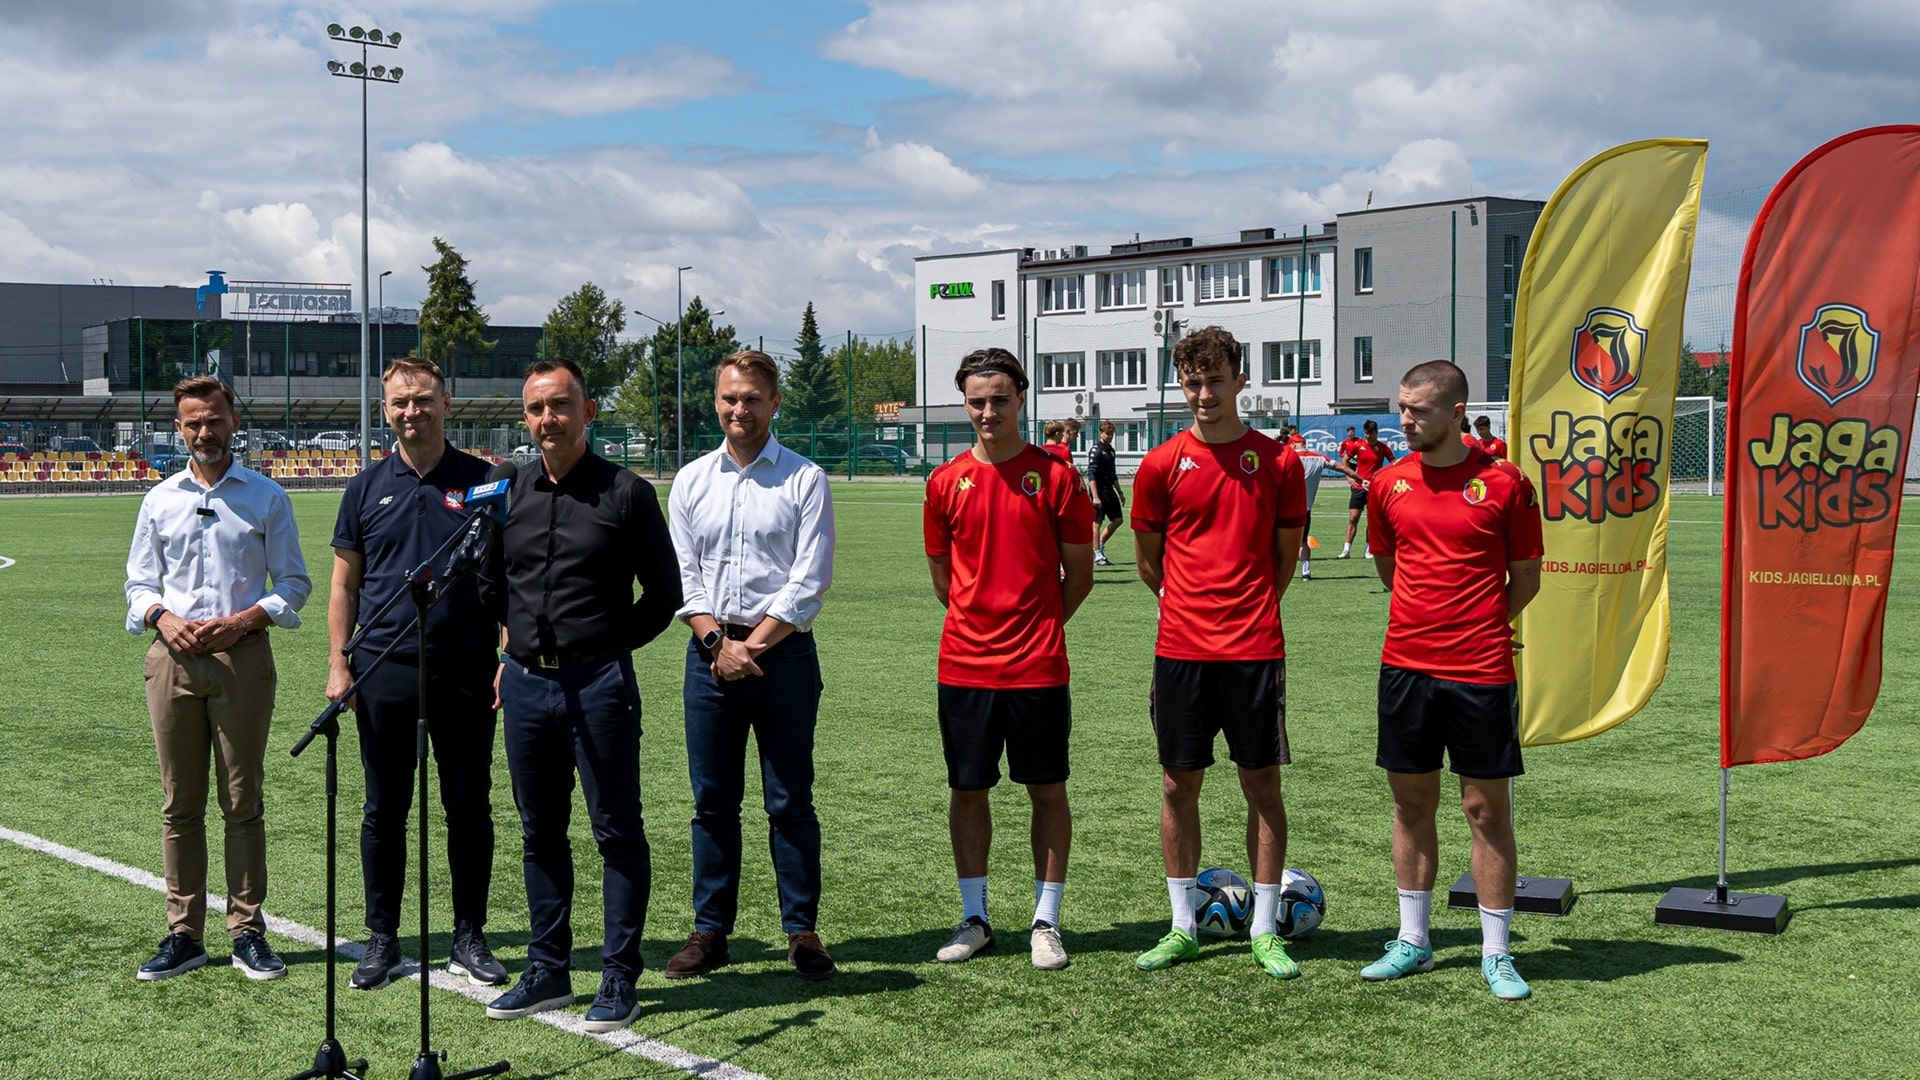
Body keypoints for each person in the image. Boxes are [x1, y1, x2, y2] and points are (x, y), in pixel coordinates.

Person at [478, 358, 683, 1032]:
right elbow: (487, 583)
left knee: (615, 831)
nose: (548, 420)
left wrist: (605, 644)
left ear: (587, 412)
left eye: (561, 405)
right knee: (540, 834)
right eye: (536, 408)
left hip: (600, 685)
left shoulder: (626, 493)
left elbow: (665, 596)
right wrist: (510, 646)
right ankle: (548, 970)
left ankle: (620, 976)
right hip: (528, 685)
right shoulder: (506, 489)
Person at [1359, 360, 1544, 1001]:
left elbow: (1526, 576)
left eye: (1419, 410)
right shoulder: (1388, 483)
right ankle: (1414, 941)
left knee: (1485, 810)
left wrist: (1479, 620)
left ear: (1457, 410)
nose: (1405, 419)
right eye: (1402, 407)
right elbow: (1388, 568)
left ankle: (1496, 952)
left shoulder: (1504, 483)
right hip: (1406, 667)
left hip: (1482, 669)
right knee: (1412, 806)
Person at [1129, 327, 1309, 981]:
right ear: (1181, 387)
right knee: (1179, 785)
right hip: (1181, 651)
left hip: (1255, 650)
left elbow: (1284, 560)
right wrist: (1190, 606)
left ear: (1240, 380)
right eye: (1192, 383)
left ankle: (1264, 929)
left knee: (1262, 785)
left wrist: (1246, 606)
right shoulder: (1158, 464)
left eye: (1215, 380)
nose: (1204, 394)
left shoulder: (1278, 462)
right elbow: (1150, 562)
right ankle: (1183, 927)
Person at [327, 357, 505, 991]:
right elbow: (344, 583)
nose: (412, 411)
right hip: (384, 670)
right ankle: (382, 935)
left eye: (424, 399)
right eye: (400, 401)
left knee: (468, 807)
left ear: (447, 403)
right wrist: (337, 661)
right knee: (385, 809)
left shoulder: (486, 482)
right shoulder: (365, 487)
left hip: (467, 672)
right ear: (385, 409)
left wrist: (506, 655)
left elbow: (509, 580)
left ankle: (469, 934)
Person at [125, 376, 310, 981]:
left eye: (214, 419)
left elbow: (293, 583)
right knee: (180, 804)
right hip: (171, 659)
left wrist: (248, 618)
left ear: (235, 421)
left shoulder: (265, 496)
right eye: (192, 422)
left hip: (243, 659)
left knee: (242, 801)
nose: (204, 431)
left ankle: (247, 930)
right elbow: (138, 583)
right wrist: (161, 616)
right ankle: (184, 934)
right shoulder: (159, 499)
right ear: (178, 428)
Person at [665, 350, 837, 982]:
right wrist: (717, 645)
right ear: (717, 401)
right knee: (712, 801)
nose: (741, 409)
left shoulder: (804, 478)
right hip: (708, 656)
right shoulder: (690, 481)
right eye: (730, 398)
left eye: (753, 399)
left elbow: (808, 582)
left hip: (782, 657)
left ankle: (802, 932)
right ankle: (710, 932)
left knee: (790, 799)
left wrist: (750, 646)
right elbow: (683, 576)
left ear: (774, 403)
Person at [923, 348, 1094, 970]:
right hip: (965, 666)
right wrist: (985, 621)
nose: (988, 411)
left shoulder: (1056, 476)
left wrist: (1037, 624)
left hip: (1038, 666)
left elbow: (1079, 576)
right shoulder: (944, 481)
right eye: (977, 401)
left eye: (999, 399)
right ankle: (976, 917)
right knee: (968, 791)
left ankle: (1045, 921)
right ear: (964, 403)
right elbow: (945, 581)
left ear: (1021, 398)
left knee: (1047, 790)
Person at [1295, 447, 1360, 581]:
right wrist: (1360, 479)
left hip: (1285, 508)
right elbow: (1342, 468)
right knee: (1303, 542)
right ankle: (1305, 572)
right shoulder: (1319, 458)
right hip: (1304, 509)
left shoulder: (1288, 456)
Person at [1340, 419, 1396, 559]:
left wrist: (1386, 477)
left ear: (1376, 432)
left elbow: (1394, 463)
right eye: (1366, 433)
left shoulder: (1383, 448)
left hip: (1374, 488)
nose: (1368, 436)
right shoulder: (1358, 445)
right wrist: (1349, 477)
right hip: (1359, 487)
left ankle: (1368, 549)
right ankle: (1346, 550)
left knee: (1372, 520)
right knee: (1353, 517)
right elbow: (1345, 460)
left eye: (1370, 433)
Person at [1088, 420, 1124, 566]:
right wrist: (1095, 496)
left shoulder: (1110, 450)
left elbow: (1113, 474)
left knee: (1118, 520)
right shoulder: (1096, 450)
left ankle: (1100, 544)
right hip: (1099, 491)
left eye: (1112, 434)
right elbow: (1091, 475)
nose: (1110, 436)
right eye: (1107, 433)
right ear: (1101, 433)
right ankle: (1097, 554)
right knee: (1097, 523)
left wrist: (1120, 492)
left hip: (1109, 490)